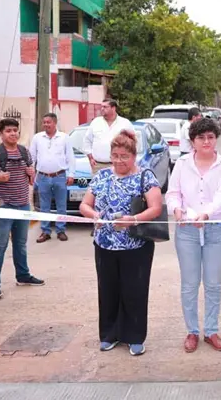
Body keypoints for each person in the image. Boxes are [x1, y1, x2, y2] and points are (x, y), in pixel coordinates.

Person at [79, 129, 162, 356]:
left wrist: (132, 220)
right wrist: (94, 215)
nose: (119, 160)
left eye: (124, 156)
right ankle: (109, 335)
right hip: (104, 244)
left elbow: (156, 207)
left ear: (134, 156)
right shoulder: (102, 176)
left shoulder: (145, 176)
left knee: (134, 291)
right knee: (107, 290)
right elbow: (85, 204)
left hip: (135, 246)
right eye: (115, 155)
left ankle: (135, 337)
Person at [165, 118, 221, 353]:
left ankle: (211, 330)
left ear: (216, 139)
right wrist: (175, 209)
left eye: (211, 137)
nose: (206, 141)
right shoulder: (182, 164)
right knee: (189, 284)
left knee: (213, 284)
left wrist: (205, 214)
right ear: (192, 141)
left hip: (215, 228)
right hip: (187, 231)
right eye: (201, 138)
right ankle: (192, 331)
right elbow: (172, 193)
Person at [0, 119, 43, 301]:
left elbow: (30, 180)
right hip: (2, 206)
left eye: (15, 130)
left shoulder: (24, 152)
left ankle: (23, 275)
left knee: (20, 244)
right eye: (9, 131)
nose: (13, 134)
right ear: (1, 134)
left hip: (22, 205)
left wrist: (31, 175)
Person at [30, 113, 76, 243]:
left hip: (59, 176)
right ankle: (45, 231)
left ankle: (61, 230)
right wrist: (31, 173)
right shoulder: (37, 138)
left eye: (48, 122)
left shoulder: (64, 137)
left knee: (61, 205)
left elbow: (70, 157)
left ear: (55, 123)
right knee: (44, 206)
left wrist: (71, 174)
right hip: (43, 176)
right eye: (44, 122)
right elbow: (32, 157)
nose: (46, 125)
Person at [82, 99, 134, 174]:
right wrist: (90, 158)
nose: (102, 109)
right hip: (98, 165)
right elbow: (87, 140)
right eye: (101, 107)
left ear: (113, 108)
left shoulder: (125, 123)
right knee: (99, 185)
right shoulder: (96, 122)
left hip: (119, 165)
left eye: (105, 107)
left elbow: (133, 143)